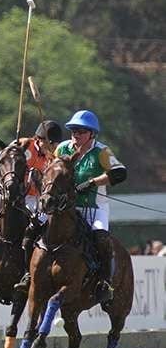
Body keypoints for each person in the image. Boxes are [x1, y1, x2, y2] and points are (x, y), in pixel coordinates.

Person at [0, 120, 64, 291]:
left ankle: (30, 272)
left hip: (33, 200)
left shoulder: (54, 159)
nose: (53, 147)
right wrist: (9, 152)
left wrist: (40, 179)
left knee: (37, 229)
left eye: (55, 144)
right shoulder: (24, 144)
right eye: (51, 143)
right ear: (40, 139)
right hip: (6, 196)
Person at [53, 110, 126, 307]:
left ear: (92, 134)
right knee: (36, 229)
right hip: (66, 208)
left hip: (95, 208)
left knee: (101, 237)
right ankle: (28, 274)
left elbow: (119, 173)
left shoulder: (101, 152)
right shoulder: (62, 149)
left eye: (81, 131)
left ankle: (105, 283)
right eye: (74, 131)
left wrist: (93, 182)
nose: (76, 135)